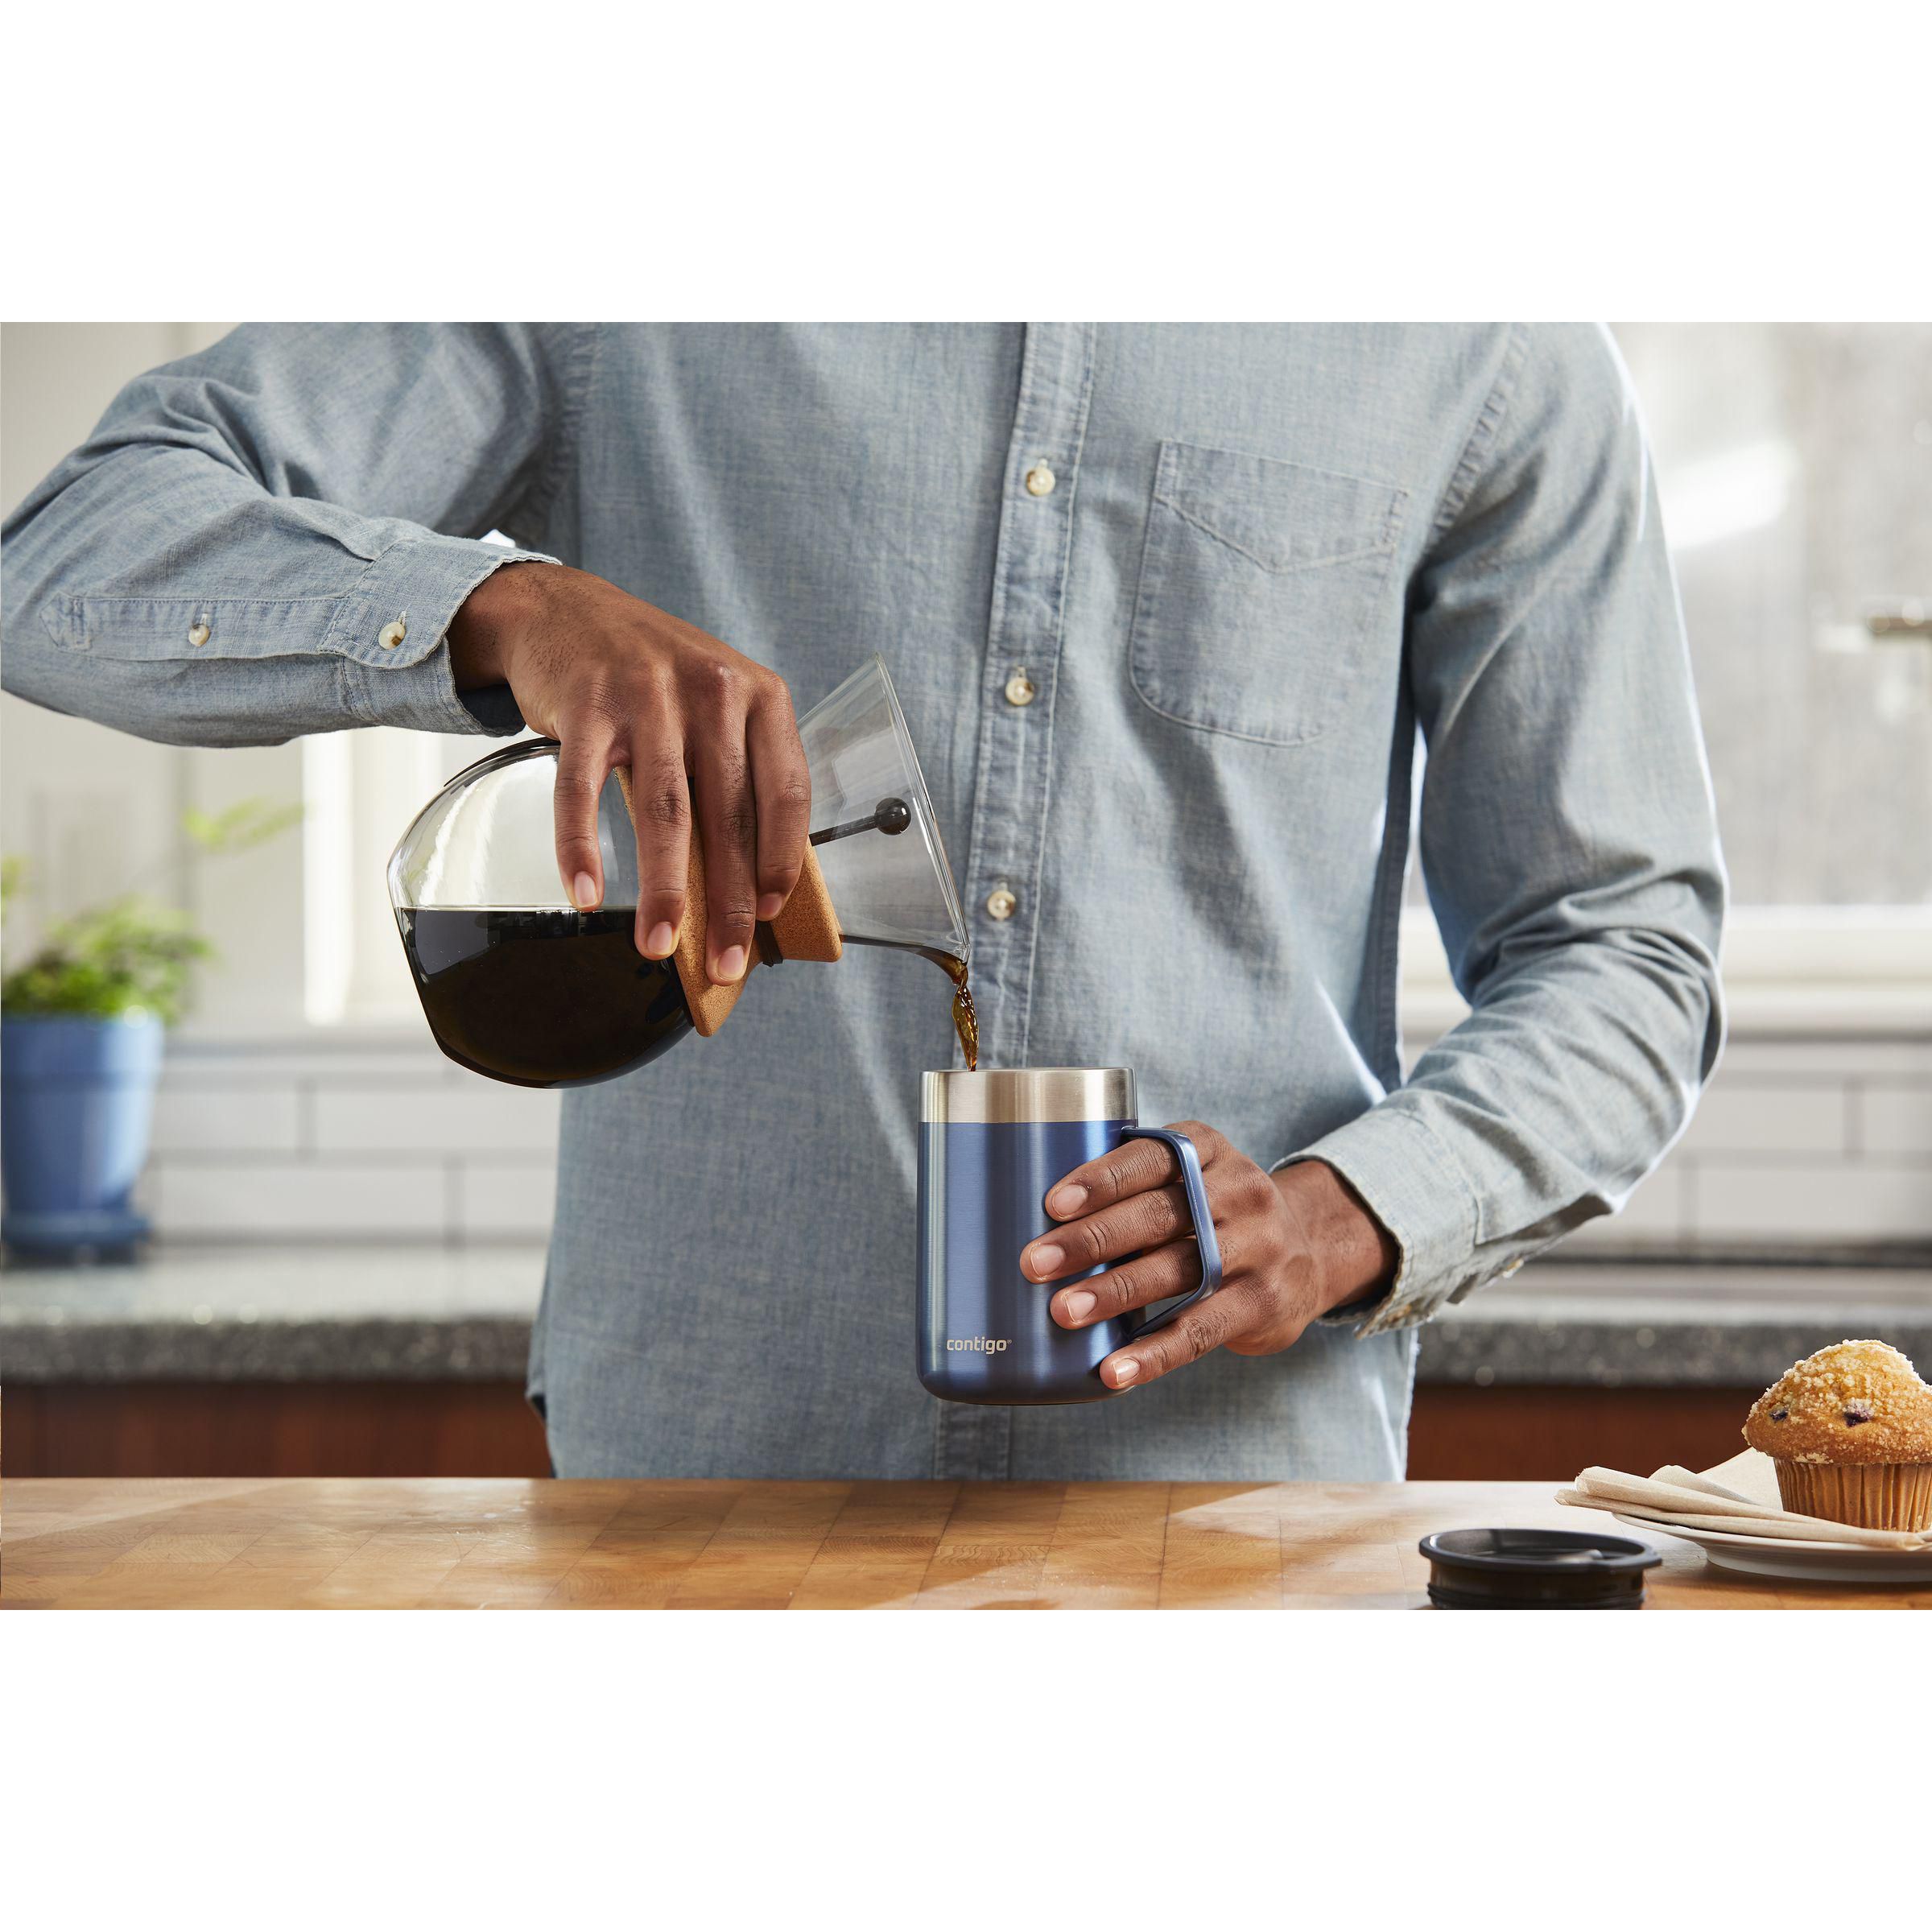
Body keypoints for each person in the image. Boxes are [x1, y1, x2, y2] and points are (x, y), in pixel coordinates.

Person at [2, 324, 1724, 1480]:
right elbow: (67, 558)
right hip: (693, 1514)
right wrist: (500, 608)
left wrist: (1342, 1217)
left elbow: (1626, 951)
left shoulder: (1488, 341)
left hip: (1237, 1508)